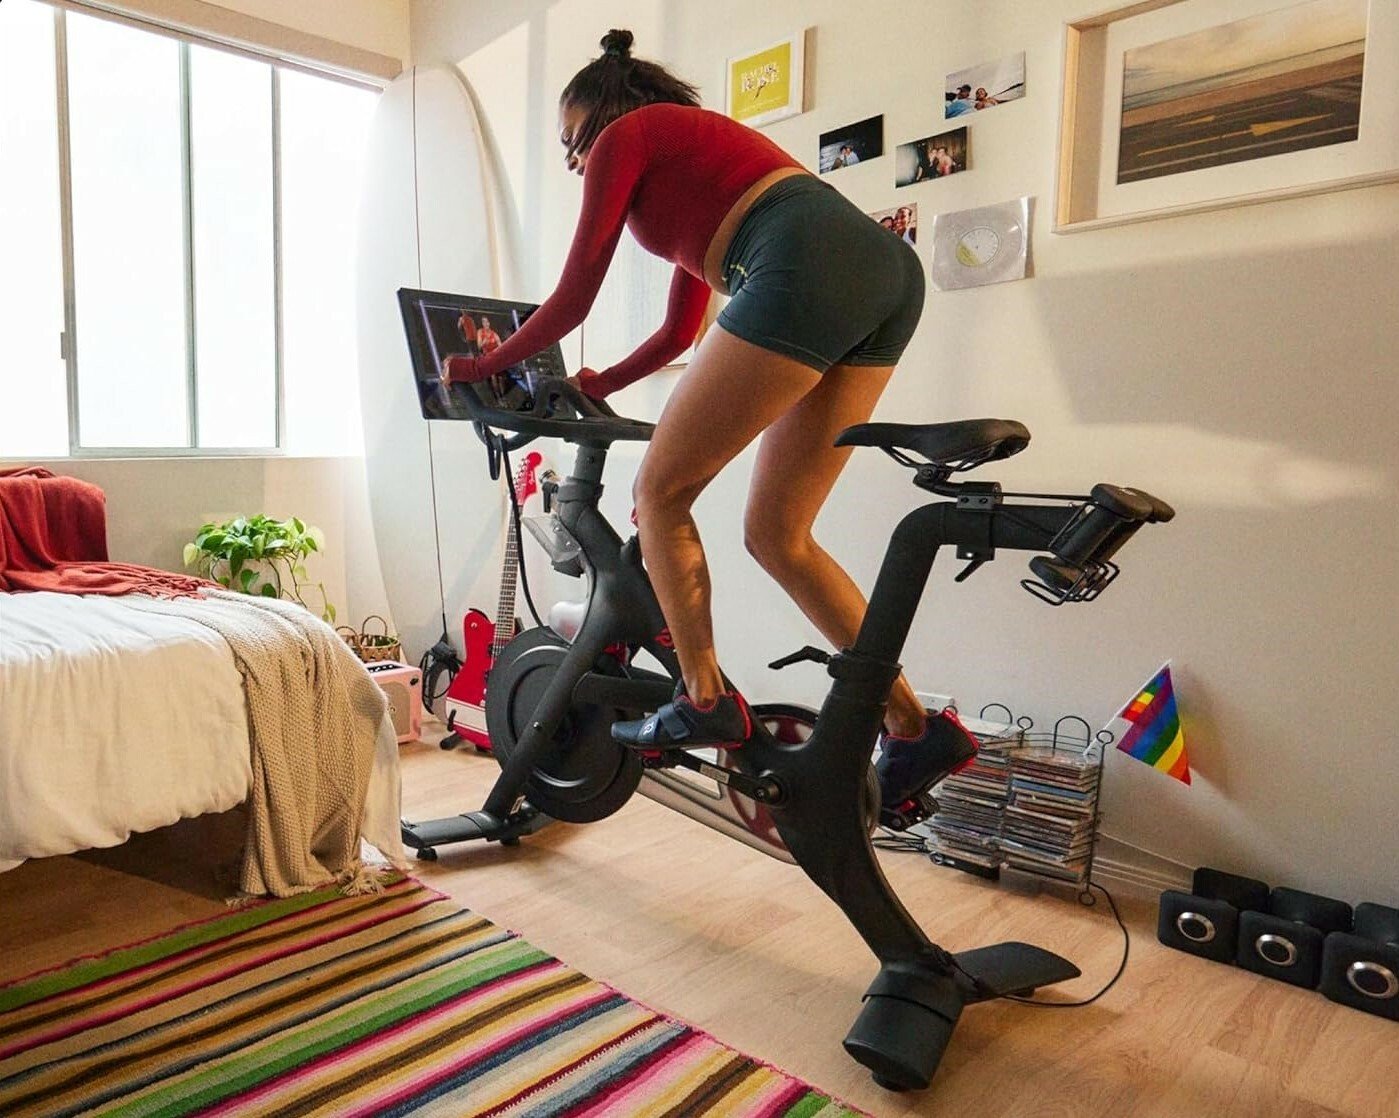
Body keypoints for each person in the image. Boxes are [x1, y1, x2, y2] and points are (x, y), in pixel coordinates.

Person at [440, 29, 973, 810]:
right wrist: (602, 379)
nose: (573, 161)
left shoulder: (629, 135)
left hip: (803, 259)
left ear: (598, 116)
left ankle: (701, 697)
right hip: (884, 272)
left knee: (659, 497)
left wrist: (478, 365)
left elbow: (572, 295)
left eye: (569, 143)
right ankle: (913, 726)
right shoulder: (702, 161)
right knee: (779, 535)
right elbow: (678, 335)